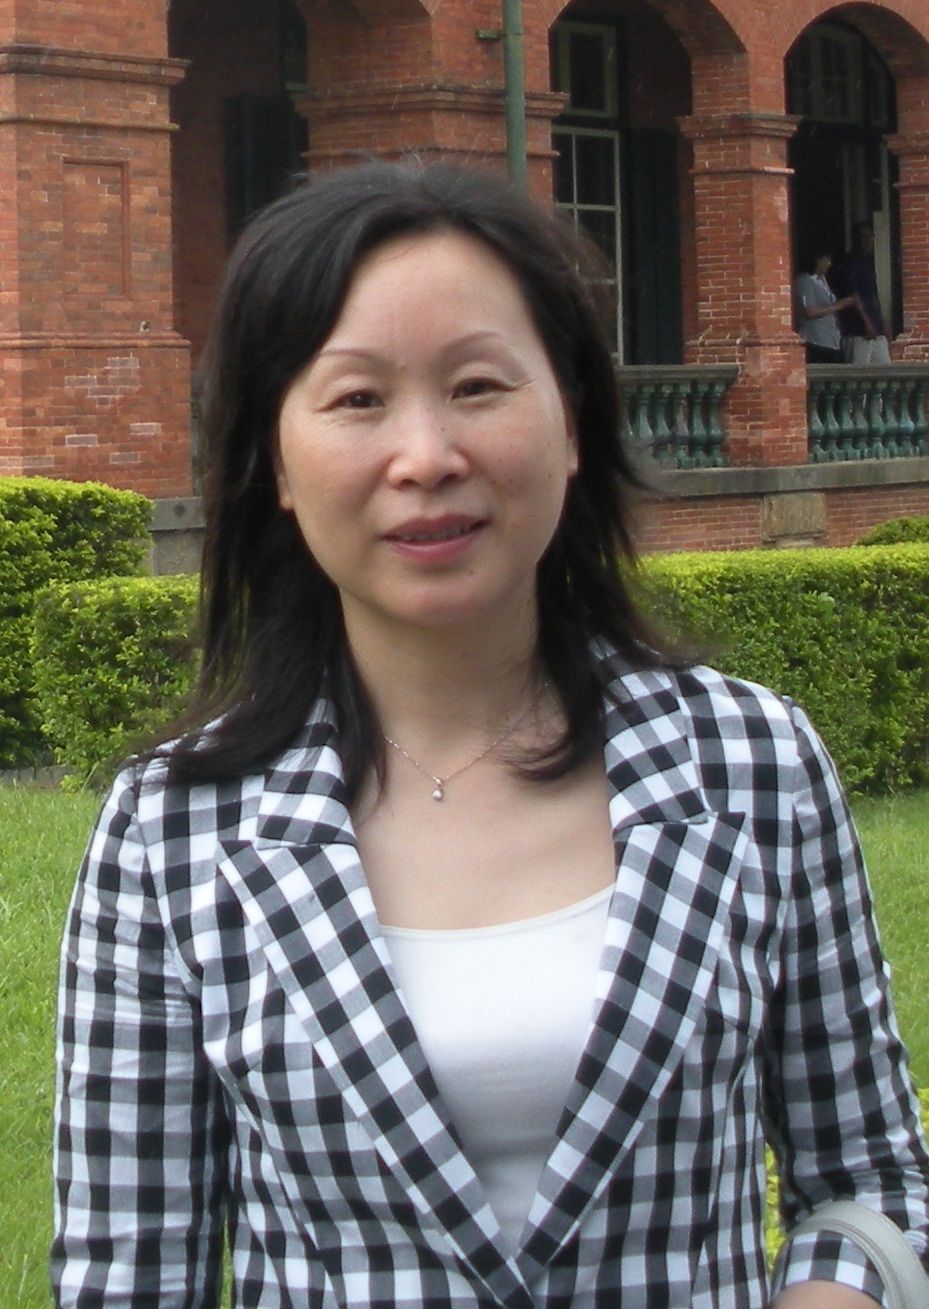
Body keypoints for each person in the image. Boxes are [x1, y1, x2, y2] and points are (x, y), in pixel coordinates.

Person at [52, 160, 929, 1308]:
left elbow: (870, 1176)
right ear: (274, 462)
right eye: (356, 399)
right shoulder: (173, 829)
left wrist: (836, 1291)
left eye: (476, 385)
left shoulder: (749, 765)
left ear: (570, 423)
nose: (426, 456)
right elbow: (124, 1270)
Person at [831, 221, 892, 364]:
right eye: (863, 237)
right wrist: (867, 323)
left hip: (876, 328)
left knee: (886, 368)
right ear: (855, 239)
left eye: (870, 236)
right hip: (857, 331)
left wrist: (883, 323)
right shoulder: (849, 263)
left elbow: (874, 296)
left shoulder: (871, 262)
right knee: (859, 371)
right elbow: (854, 296)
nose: (867, 241)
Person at [793, 250, 858, 363]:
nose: (829, 264)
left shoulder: (823, 280)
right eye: (826, 260)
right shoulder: (805, 280)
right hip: (816, 339)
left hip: (832, 339)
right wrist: (837, 306)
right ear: (817, 260)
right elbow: (810, 311)